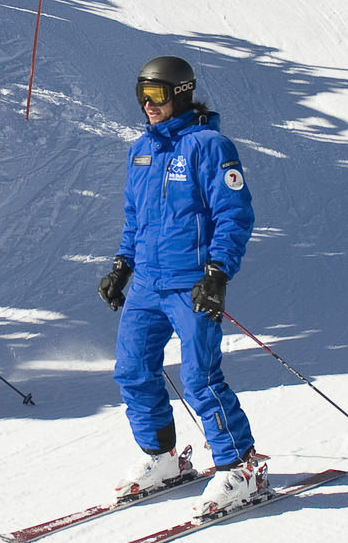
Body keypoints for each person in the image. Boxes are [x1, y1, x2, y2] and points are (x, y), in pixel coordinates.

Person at [96, 55, 265, 517]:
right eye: (141, 95)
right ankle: (162, 458)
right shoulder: (141, 149)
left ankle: (238, 465)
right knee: (131, 371)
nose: (147, 105)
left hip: (192, 285)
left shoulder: (210, 145)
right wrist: (122, 265)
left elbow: (234, 214)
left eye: (156, 95)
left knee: (199, 378)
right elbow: (136, 216)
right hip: (147, 284)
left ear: (182, 94)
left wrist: (217, 272)